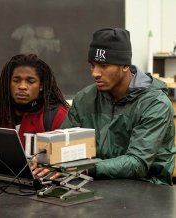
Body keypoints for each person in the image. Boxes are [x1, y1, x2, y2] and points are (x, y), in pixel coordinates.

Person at [61, 27, 176, 185]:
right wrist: (47, 161)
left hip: (147, 188)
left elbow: (137, 163)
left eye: (104, 66)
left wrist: (86, 168)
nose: (95, 73)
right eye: (92, 65)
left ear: (125, 65)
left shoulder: (155, 104)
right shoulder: (84, 98)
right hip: (96, 182)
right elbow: (63, 143)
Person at [0, 54, 69, 151]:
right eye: (16, 80)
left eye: (30, 81)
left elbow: (68, 158)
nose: (22, 86)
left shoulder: (57, 115)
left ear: (41, 85)